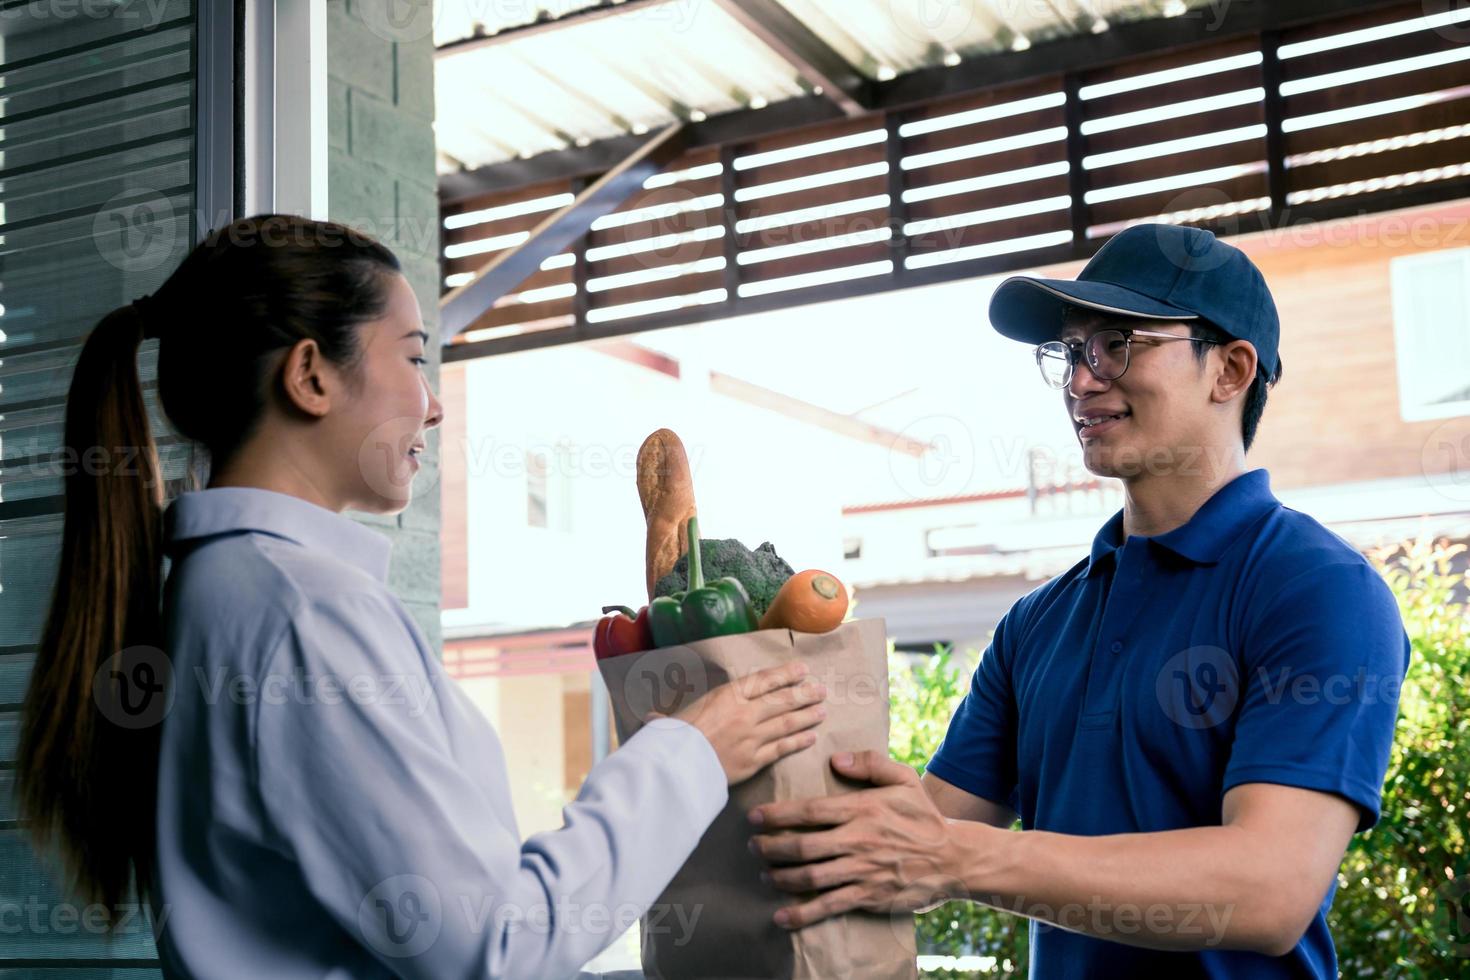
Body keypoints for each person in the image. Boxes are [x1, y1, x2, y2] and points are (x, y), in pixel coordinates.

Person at [16, 214, 828, 979]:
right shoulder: (303, 614)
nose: (432, 406)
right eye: (411, 358)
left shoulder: (218, 588)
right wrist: (689, 756)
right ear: (309, 376)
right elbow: (492, 945)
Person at [746, 224, 1411, 977]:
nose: (1081, 380)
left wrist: (952, 855)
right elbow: (920, 835)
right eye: (1071, 350)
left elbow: (1269, 888)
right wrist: (722, 743)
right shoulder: (1038, 623)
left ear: (1229, 369)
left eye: (1117, 343)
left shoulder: (1320, 592)